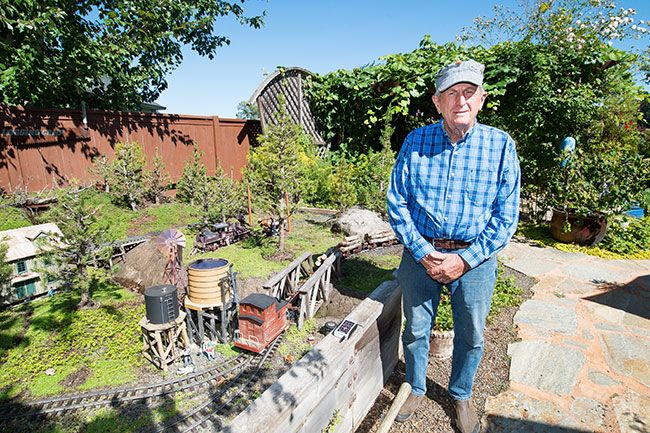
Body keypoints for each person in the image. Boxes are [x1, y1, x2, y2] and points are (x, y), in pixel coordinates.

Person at [387, 59, 520, 433]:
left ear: (481, 99)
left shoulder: (500, 146)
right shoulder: (416, 141)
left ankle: (460, 393)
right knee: (415, 328)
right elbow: (396, 202)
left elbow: (506, 216)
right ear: (437, 102)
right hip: (420, 254)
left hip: (475, 259)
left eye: (468, 92)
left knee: (472, 333)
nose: (460, 100)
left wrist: (464, 260)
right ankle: (415, 386)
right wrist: (422, 251)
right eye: (451, 93)